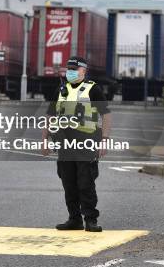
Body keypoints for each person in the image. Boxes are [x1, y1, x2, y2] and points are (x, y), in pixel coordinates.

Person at [43, 56, 112, 233]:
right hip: (64, 144)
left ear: (84, 71)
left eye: (74, 69)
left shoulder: (93, 89)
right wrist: (45, 139)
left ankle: (90, 220)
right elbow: (50, 116)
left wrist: (104, 140)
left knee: (85, 183)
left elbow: (106, 115)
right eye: (69, 69)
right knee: (68, 183)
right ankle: (74, 219)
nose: (70, 72)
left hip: (86, 143)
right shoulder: (60, 89)